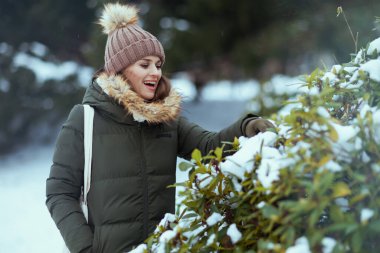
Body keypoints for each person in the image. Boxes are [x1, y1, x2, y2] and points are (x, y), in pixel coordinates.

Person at [45, 3, 274, 253]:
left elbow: (209, 147)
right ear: (118, 70)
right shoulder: (85, 118)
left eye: (158, 64)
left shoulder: (166, 120)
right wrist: (85, 248)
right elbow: (59, 192)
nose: (155, 72)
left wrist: (246, 126)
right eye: (145, 64)